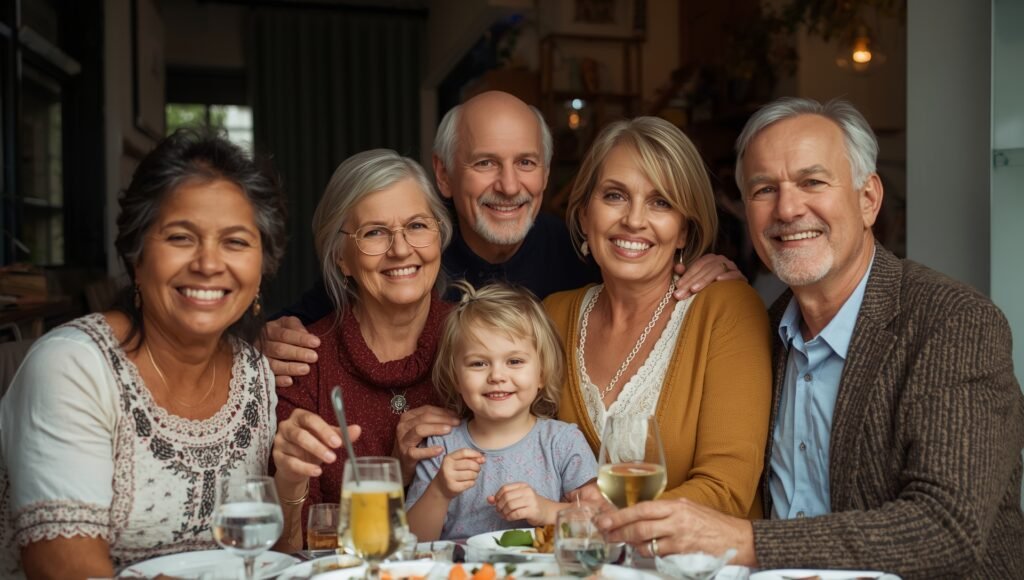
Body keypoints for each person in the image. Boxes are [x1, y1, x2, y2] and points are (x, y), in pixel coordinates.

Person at [596, 98, 1024, 579]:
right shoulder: (757, 328)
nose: (788, 208)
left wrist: (744, 540)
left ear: (868, 199)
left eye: (812, 182)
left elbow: (947, 528)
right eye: (763, 190)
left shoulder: (951, 323)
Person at [264, 91, 743, 484]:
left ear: (547, 175)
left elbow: (640, 255)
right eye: (486, 163)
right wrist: (258, 342)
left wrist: (700, 262)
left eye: (526, 163)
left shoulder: (579, 256)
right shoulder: (407, 258)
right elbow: (307, 323)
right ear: (445, 175)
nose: (510, 185)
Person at [0, 130, 294, 577]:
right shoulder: (73, 367)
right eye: (180, 237)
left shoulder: (253, 374)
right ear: (137, 254)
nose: (209, 264)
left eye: (235, 241)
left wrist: (293, 480)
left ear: (261, 268)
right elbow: (64, 571)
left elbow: (261, 558)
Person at [543, 117, 772, 518]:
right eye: (614, 196)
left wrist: (609, 516)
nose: (634, 219)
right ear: (583, 216)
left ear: (683, 231)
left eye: (661, 202)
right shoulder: (551, 316)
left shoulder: (727, 309)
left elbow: (727, 491)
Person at [269, 149, 455, 545]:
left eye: (418, 225)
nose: (401, 249)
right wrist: (290, 481)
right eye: (374, 232)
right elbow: (292, 550)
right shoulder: (304, 363)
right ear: (341, 258)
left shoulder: (481, 339)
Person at [405, 282, 597, 540]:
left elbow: (600, 520)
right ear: (456, 379)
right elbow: (411, 542)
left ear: (541, 373)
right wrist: (439, 491)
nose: (497, 375)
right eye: (478, 363)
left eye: (514, 361)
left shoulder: (562, 442)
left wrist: (547, 510)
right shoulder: (441, 446)